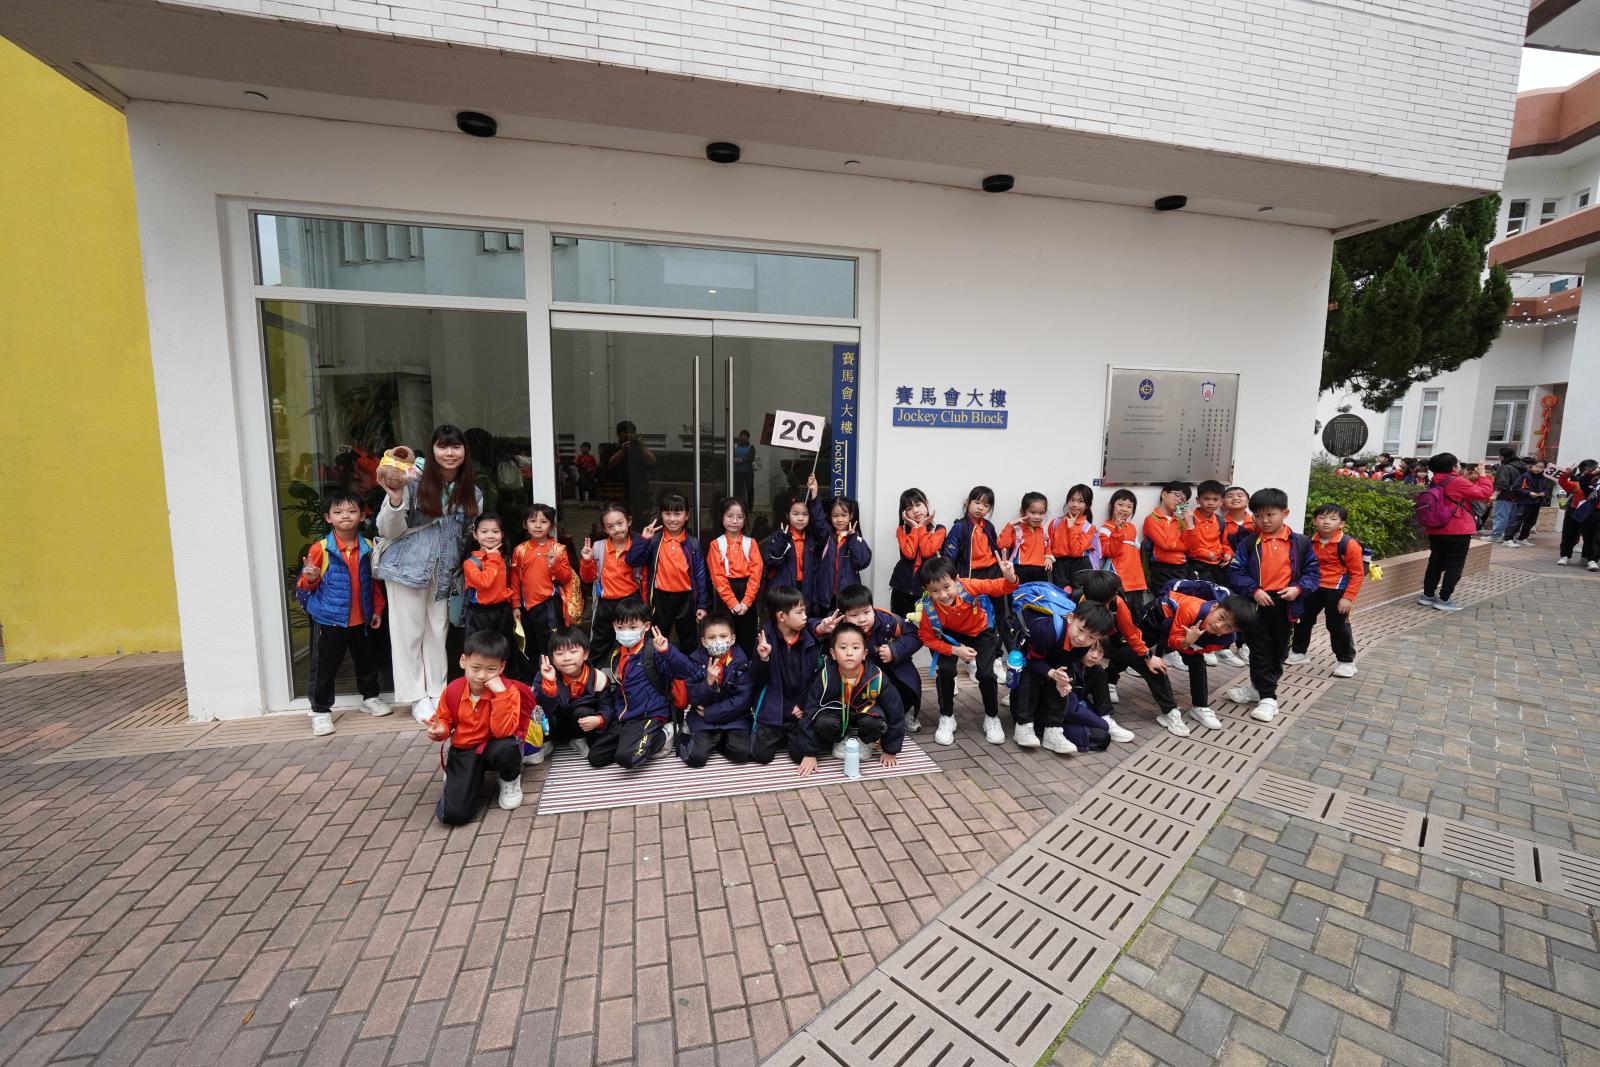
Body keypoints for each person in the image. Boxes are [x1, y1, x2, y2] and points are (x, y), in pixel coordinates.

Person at [376, 425, 482, 724]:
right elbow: (387, 529)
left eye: (456, 447)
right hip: (406, 567)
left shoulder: (473, 493)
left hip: (444, 571)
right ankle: (416, 696)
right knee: (408, 634)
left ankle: (437, 691)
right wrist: (395, 498)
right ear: (432, 450)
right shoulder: (411, 481)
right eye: (442, 446)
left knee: (437, 632)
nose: (449, 453)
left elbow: (468, 535)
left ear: (464, 452)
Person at [295, 489, 388, 737]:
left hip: (362, 619)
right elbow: (305, 585)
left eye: (352, 511)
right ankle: (320, 711)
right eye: (338, 512)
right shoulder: (321, 548)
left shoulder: (368, 546)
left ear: (362, 515)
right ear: (328, 518)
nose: (345, 516)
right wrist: (310, 578)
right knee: (325, 666)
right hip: (329, 620)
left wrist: (377, 610)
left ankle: (370, 698)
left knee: (367, 661)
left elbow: (374, 584)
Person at [1225, 488, 1319, 723]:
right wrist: (1254, 590)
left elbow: (1313, 573)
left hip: (1286, 606)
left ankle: (1257, 688)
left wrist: (1298, 589)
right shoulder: (1248, 543)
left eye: (1270, 515)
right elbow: (1236, 571)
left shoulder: (1301, 543)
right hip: (1257, 604)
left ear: (1285, 513)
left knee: (1279, 652)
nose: (1264, 521)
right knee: (1259, 650)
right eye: (1258, 516)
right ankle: (1268, 698)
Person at [426, 632, 536, 824]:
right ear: (463, 661)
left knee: (508, 745)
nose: (482, 675)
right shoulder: (453, 690)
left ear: (502, 667)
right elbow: (444, 721)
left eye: (491, 669)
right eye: (476, 667)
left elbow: (503, 732)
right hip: (465, 748)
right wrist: (440, 731)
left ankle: (509, 778)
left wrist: (500, 695)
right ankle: (456, 771)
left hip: (495, 745)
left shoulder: (509, 691)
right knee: (455, 815)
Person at [916, 554, 1019, 746]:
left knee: (986, 674)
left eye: (947, 587)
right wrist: (956, 651)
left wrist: (1009, 576)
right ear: (926, 590)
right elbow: (927, 638)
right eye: (935, 590)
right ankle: (946, 716)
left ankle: (992, 717)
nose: (943, 595)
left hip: (981, 631)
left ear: (956, 580)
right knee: (945, 670)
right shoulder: (928, 609)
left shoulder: (969, 586)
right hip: (949, 636)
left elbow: (1002, 587)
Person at [588, 600, 695, 769]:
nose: (626, 632)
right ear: (614, 626)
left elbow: (685, 670)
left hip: (649, 715)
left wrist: (667, 651)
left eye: (632, 627)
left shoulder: (653, 650)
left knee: (627, 758)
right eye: (620, 627)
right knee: (596, 758)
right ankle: (631, 739)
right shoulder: (616, 654)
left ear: (646, 627)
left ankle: (665, 736)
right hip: (624, 716)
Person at [1074, 569, 1180, 738]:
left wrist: (1148, 656)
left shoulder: (1117, 603)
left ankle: (1169, 711)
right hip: (1080, 647)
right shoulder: (1076, 602)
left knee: (1154, 665)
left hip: (1110, 645)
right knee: (1092, 673)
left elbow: (1131, 634)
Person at [792, 622, 906, 777]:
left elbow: (895, 712)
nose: (849, 653)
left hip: (865, 711)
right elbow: (810, 710)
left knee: (875, 724)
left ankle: (865, 742)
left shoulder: (876, 676)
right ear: (833, 653)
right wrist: (809, 753)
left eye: (855, 647)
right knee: (823, 722)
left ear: (865, 653)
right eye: (843, 647)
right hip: (837, 712)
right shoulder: (825, 675)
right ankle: (840, 738)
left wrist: (890, 750)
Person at [1143, 580, 1258, 731]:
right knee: (1135, 650)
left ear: (1234, 631)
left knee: (1197, 663)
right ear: (1214, 607)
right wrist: (1186, 641)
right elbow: (1172, 640)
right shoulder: (1191, 609)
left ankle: (1200, 707)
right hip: (1160, 614)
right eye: (1221, 617)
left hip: (1186, 634)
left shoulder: (1226, 639)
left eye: (1228, 627)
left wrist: (1189, 643)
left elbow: (1198, 651)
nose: (1219, 625)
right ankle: (1113, 679)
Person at [1011, 595, 1118, 753]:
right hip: (1028, 662)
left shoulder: (1082, 645)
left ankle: (1053, 731)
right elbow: (1032, 661)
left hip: (1047, 660)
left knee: (1062, 678)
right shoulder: (1047, 631)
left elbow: (1064, 662)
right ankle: (1023, 726)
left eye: (1091, 637)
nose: (1082, 639)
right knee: (1032, 674)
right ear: (1070, 618)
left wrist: (1062, 681)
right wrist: (1052, 673)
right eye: (1080, 630)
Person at [750, 585, 838, 764]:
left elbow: (819, 677)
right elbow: (758, 680)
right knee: (761, 755)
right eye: (799, 612)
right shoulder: (765, 639)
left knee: (799, 754)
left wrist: (803, 703)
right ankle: (782, 735)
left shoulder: (810, 637)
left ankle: (792, 736)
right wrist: (763, 659)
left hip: (800, 710)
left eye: (805, 610)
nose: (805, 616)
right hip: (776, 709)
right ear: (781, 616)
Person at [1287, 505, 1363, 678]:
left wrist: (1348, 597)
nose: (1327, 522)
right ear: (1314, 521)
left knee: (1337, 625)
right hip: (1311, 587)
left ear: (1341, 524)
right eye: (1322, 517)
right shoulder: (1308, 541)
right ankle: (1299, 652)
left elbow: (1357, 573)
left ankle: (1346, 662)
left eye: (1333, 519)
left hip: (1337, 589)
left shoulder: (1348, 544)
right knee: (1302, 619)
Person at [626, 493, 709, 651]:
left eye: (677, 514)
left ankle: (689, 666)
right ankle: (656, 665)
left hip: (686, 598)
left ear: (687, 516)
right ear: (661, 515)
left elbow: (700, 575)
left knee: (689, 640)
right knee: (657, 637)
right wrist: (643, 539)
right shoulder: (655, 540)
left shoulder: (693, 543)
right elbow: (632, 561)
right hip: (660, 597)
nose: (672, 519)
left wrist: (702, 605)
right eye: (667, 513)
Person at [838, 584, 925, 733]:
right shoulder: (836, 626)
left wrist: (894, 650)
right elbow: (813, 630)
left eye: (867, 612)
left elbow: (917, 635)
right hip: (856, 675)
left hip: (889, 669)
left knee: (907, 686)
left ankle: (904, 713)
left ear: (873, 608)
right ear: (843, 616)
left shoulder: (888, 621)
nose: (862, 619)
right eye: (854, 615)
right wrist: (820, 629)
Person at [1416, 453, 1494, 610]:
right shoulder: (1456, 481)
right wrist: (1483, 475)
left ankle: (1428, 595)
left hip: (1436, 528)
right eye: (1457, 463)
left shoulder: (1435, 480)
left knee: (1435, 563)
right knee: (1454, 565)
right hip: (1457, 529)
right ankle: (1444, 599)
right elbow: (1484, 493)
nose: (1459, 465)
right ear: (1453, 467)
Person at [679, 614, 756, 767]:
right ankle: (689, 735)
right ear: (703, 641)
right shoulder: (695, 661)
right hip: (702, 719)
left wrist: (710, 713)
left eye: (723, 636)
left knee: (743, 753)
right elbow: (693, 698)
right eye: (711, 637)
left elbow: (743, 700)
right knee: (695, 757)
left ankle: (717, 741)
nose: (718, 641)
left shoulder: (741, 662)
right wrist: (708, 683)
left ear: (732, 639)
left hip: (733, 718)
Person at [1184, 479, 1245, 667]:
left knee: (1224, 603)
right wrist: (1205, 554)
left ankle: (1223, 647)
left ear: (1221, 501)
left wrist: (1228, 553)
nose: (1211, 503)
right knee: (1205, 605)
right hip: (1198, 566)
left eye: (1215, 499)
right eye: (1206, 499)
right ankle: (1204, 645)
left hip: (1218, 567)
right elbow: (1188, 545)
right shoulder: (1189, 518)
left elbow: (1224, 543)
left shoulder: (1219, 520)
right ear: (1198, 500)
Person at [511, 504, 574, 675]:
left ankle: (556, 679)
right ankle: (533, 682)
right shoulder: (520, 550)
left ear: (551, 525)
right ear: (525, 524)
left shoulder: (558, 549)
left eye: (544, 521)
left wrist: (554, 564)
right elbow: (515, 580)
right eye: (533, 521)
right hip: (527, 607)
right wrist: (515, 605)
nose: (538, 525)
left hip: (549, 605)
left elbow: (566, 578)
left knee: (552, 645)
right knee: (529, 646)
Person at [462, 513, 523, 681]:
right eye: (484, 531)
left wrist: (515, 606)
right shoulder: (470, 563)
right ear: (475, 535)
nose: (490, 535)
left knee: (504, 650)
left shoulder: (503, 559)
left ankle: (504, 685)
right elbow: (485, 582)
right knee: (479, 651)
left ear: (502, 534)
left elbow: (509, 585)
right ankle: (479, 685)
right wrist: (494, 558)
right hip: (479, 614)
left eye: (495, 531)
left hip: (502, 610)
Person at [580, 502, 642, 662]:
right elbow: (588, 578)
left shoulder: (636, 546)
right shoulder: (599, 547)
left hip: (630, 602)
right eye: (610, 526)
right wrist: (587, 561)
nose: (616, 529)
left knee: (631, 645)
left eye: (620, 523)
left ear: (629, 521)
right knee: (598, 646)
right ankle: (592, 675)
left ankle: (629, 674)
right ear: (605, 529)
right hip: (605, 605)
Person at [534, 627, 608, 759]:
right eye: (559, 653)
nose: (567, 658)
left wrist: (600, 719)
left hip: (581, 726)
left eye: (573, 652)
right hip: (553, 727)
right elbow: (540, 708)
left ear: (585, 654)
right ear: (552, 659)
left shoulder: (598, 677)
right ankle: (546, 743)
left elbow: (607, 704)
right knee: (537, 710)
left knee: (583, 710)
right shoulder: (544, 675)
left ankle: (579, 740)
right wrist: (549, 683)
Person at [705, 497, 765, 655]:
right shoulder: (716, 544)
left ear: (745, 519)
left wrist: (746, 602)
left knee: (747, 634)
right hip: (725, 593)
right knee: (723, 633)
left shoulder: (751, 543)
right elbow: (718, 577)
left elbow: (756, 575)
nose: (734, 521)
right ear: (722, 517)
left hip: (747, 592)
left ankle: (744, 666)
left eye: (739, 517)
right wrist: (732, 602)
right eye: (730, 516)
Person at [808, 491, 872, 617]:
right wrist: (814, 494)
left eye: (843, 515)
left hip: (849, 598)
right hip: (827, 597)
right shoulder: (827, 536)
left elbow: (861, 562)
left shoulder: (856, 539)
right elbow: (818, 519)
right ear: (830, 516)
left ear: (850, 515)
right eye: (835, 515)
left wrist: (852, 538)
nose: (839, 519)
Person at [892, 488, 945, 618]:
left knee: (927, 625)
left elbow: (927, 551)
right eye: (909, 508)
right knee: (901, 624)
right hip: (901, 588)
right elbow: (909, 553)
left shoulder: (939, 529)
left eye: (918, 504)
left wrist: (921, 527)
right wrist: (915, 528)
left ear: (926, 503)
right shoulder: (901, 530)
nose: (915, 510)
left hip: (928, 587)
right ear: (904, 512)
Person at [762, 478, 817, 604]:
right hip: (784, 591)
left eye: (805, 514)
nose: (800, 518)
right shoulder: (779, 535)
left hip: (806, 588)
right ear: (787, 515)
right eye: (795, 514)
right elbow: (770, 560)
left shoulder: (811, 538)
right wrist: (782, 540)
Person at [1098, 490, 1148, 608]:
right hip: (1119, 581)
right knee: (1119, 614)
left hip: (1136, 581)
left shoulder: (1132, 527)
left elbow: (1137, 553)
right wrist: (1118, 531)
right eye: (1120, 505)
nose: (1125, 509)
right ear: (1111, 506)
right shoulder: (1105, 529)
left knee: (1136, 615)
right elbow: (1109, 552)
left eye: (1129, 507)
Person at [1143, 481, 1192, 595]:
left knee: (1183, 601)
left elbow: (1192, 545)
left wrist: (1190, 523)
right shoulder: (1152, 519)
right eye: (1177, 495)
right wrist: (1185, 546)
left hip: (1182, 568)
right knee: (1166, 601)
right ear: (1164, 494)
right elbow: (1166, 545)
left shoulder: (1180, 521)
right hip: (1162, 570)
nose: (1179, 501)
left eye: (1183, 500)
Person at [943, 486, 1001, 580]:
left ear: (989, 509)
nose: (980, 508)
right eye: (977, 502)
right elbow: (949, 556)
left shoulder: (989, 526)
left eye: (986, 506)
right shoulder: (960, 526)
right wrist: (951, 576)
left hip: (993, 571)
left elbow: (996, 549)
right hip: (970, 573)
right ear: (968, 502)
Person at [1048, 484, 1099, 587]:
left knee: (1080, 595)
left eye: (1080, 501)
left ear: (1087, 505)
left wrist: (1071, 527)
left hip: (1081, 565)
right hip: (1059, 565)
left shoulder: (1089, 528)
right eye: (1072, 500)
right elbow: (1048, 544)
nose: (1075, 504)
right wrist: (1048, 557)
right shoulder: (1055, 523)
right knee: (1061, 594)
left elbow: (1076, 551)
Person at [606, 420, 657, 522]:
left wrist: (642, 447)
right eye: (625, 432)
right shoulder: (611, 448)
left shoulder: (639, 449)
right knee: (619, 520)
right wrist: (622, 451)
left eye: (631, 432)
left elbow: (653, 461)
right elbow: (609, 465)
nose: (629, 435)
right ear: (618, 434)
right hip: (619, 492)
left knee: (641, 521)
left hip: (639, 492)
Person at [998, 492, 1051, 584]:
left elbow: (1047, 545)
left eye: (1041, 513)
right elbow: (1002, 544)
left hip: (1040, 570)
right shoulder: (1017, 529)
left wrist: (1048, 557)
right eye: (1033, 512)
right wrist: (1010, 525)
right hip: (1020, 569)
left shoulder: (1044, 530)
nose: (1037, 517)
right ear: (1022, 512)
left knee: (1038, 593)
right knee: (1020, 592)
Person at [1556, 460, 1600, 568]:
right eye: (1591, 468)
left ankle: (1588, 558)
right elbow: (1563, 483)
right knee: (1569, 534)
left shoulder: (1598, 486)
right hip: (1574, 511)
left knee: (1591, 537)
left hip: (1592, 513)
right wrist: (1566, 475)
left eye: (1595, 468)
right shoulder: (1578, 483)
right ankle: (1565, 556)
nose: (1593, 471)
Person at [1506, 459, 1552, 547]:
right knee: (1517, 520)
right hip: (1524, 502)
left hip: (1536, 502)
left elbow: (1547, 489)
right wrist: (1528, 493)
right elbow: (1516, 488)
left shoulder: (1544, 478)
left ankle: (1522, 538)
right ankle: (1508, 539)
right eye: (1536, 466)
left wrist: (1544, 493)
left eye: (1541, 467)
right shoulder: (1525, 476)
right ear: (1532, 466)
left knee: (1531, 521)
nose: (1538, 469)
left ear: (1544, 469)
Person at [732, 430, 757, 511]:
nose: (743, 438)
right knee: (738, 491)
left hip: (748, 472)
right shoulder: (735, 446)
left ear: (748, 438)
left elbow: (751, 457)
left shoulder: (751, 446)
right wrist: (734, 459)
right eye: (742, 436)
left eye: (745, 436)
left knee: (750, 490)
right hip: (737, 471)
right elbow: (731, 455)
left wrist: (741, 460)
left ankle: (750, 508)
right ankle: (738, 507)